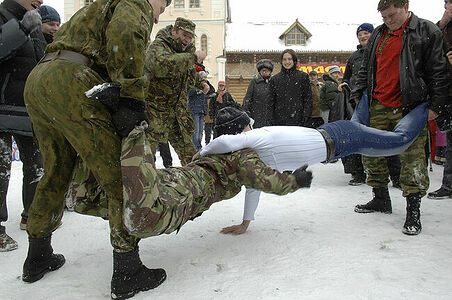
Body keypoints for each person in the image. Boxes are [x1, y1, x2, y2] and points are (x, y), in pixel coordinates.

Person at [21, 0, 172, 299]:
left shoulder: (99, 6)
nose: (158, 16)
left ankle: (37, 255)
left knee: (56, 169)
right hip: (72, 78)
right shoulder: (136, 1)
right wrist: (130, 96)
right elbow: (126, 32)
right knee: (118, 175)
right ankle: (127, 270)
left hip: (41, 79)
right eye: (161, 8)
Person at [201, 101, 430, 234]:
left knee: (400, 141)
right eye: (248, 123)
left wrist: (200, 153)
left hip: (342, 139)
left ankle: (428, 103)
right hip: (337, 138)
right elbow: (254, 187)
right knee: (361, 122)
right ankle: (366, 92)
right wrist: (245, 223)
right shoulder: (254, 152)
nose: (252, 124)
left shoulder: (255, 137)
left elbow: (225, 142)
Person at [350, 0, 449, 235]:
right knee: (371, 153)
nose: (388, 21)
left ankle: (413, 209)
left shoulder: (426, 31)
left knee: (412, 158)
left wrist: (437, 105)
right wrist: (358, 93)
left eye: (392, 15)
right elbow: (366, 66)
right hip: (377, 105)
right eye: (384, 17)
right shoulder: (378, 34)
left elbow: (439, 70)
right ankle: (380, 198)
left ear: (405, 6)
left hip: (411, 107)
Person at [0, 0, 46, 252]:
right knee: (1, 170)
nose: (40, 1)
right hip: (3, 107)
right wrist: (20, 29)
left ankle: (32, 215)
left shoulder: (35, 24)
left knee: (36, 166)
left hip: (29, 109)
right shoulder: (4, 16)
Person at [338, 22, 402, 187]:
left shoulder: (381, 52)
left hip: (380, 101)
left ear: (373, 35)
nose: (363, 36)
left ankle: (396, 175)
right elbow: (347, 78)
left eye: (366, 33)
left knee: (384, 137)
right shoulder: (354, 57)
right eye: (360, 34)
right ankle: (358, 173)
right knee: (357, 138)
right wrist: (344, 85)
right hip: (358, 103)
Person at [145, 17, 207, 165]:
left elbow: (187, 75)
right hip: (155, 113)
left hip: (178, 114)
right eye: (184, 35)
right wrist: (192, 58)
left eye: (190, 37)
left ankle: (197, 185)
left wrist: (200, 82)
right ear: (174, 31)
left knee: (192, 158)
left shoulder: (187, 52)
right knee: (145, 160)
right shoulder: (159, 46)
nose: (187, 40)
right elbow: (160, 66)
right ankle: (146, 187)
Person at [428, 0, 452, 199]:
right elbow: (429, 48)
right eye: (447, 3)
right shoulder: (442, 30)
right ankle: (449, 185)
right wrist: (442, 24)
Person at [269, 49, 312, 127]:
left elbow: (308, 99)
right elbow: (271, 101)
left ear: (294, 60)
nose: (287, 62)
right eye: (284, 59)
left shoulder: (303, 77)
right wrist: (272, 119)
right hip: (279, 121)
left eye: (289, 59)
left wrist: (306, 117)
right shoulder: (275, 79)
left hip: (298, 120)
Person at [242, 59, 274, 128]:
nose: (265, 72)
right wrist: (247, 113)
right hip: (256, 117)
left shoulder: (274, 82)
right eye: (263, 70)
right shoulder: (254, 82)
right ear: (260, 71)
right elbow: (248, 98)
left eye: (267, 71)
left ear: (270, 72)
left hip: (270, 118)